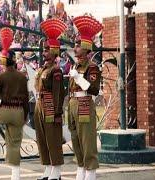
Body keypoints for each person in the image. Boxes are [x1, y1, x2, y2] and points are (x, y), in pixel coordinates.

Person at [0, 28, 29, 180]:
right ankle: (15, 176)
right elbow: (25, 98)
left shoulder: (1, 76)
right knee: (15, 144)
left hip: (5, 109)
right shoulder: (22, 77)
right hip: (18, 111)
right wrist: (25, 115)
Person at [68, 16, 102, 180]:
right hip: (73, 104)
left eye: (78, 45)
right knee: (75, 140)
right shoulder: (76, 65)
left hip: (84, 103)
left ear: (86, 47)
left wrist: (79, 79)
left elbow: (94, 89)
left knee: (87, 141)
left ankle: (90, 173)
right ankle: (81, 168)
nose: (75, 48)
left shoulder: (92, 67)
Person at [34, 18, 67, 180]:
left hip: (49, 106)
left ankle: (57, 171)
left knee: (53, 139)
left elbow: (58, 93)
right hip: (40, 105)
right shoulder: (43, 69)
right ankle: (47, 168)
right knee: (42, 139)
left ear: (54, 52)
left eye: (47, 50)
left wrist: (57, 112)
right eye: (43, 49)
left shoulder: (56, 71)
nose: (44, 52)